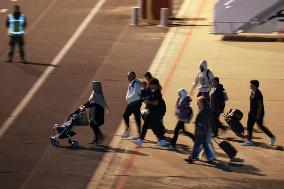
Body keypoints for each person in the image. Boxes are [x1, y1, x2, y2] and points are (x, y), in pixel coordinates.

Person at [134, 78, 168, 147]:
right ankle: (161, 140)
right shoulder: (153, 91)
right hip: (150, 111)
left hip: (153, 112)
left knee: (151, 126)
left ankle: (161, 140)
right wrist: (144, 99)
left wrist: (148, 101)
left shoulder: (157, 92)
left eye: (151, 85)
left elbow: (155, 103)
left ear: (155, 85)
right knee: (147, 124)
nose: (149, 86)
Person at [242, 80, 276, 146]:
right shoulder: (252, 92)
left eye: (251, 84)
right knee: (249, 126)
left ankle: (272, 137)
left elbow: (260, 105)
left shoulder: (258, 94)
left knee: (260, 126)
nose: (250, 85)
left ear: (255, 85)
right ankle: (249, 140)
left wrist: (258, 114)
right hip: (251, 112)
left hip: (257, 113)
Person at [185, 96, 215, 163]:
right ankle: (210, 158)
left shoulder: (204, 111)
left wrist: (200, 126)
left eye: (198, 102)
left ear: (202, 103)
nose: (197, 104)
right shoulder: (206, 109)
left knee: (197, 144)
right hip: (204, 131)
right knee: (205, 145)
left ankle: (193, 158)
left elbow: (204, 122)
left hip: (201, 131)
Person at [123, 71, 142, 139]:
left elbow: (136, 93)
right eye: (127, 75)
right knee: (136, 117)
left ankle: (130, 132)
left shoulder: (136, 83)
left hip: (135, 102)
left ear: (133, 76)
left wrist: (128, 98)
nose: (127, 77)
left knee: (126, 115)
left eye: (129, 75)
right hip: (133, 102)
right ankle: (138, 133)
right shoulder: (133, 83)